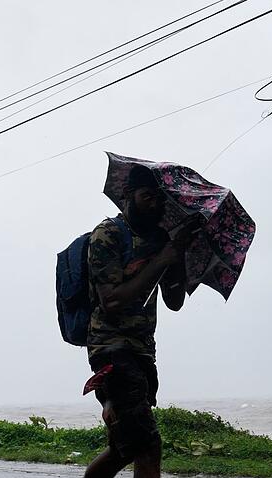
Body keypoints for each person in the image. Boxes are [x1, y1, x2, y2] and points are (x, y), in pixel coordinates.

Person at [84, 165, 202, 478]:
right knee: (147, 444)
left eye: (159, 199)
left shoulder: (160, 239)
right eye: (147, 196)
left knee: (124, 448)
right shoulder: (107, 235)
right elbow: (112, 301)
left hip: (142, 352)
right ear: (128, 196)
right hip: (112, 350)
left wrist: (178, 259)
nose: (154, 204)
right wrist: (162, 259)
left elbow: (174, 302)